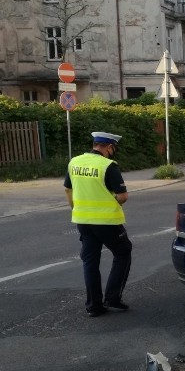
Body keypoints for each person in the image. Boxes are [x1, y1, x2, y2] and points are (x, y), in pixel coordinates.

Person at [64, 131, 133, 317]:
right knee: (123, 252)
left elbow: (67, 189)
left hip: (83, 221)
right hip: (107, 221)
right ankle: (112, 297)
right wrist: (112, 202)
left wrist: (76, 208)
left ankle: (94, 306)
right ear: (109, 147)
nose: (113, 152)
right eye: (113, 149)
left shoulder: (75, 162)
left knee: (90, 262)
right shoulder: (108, 165)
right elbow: (123, 196)